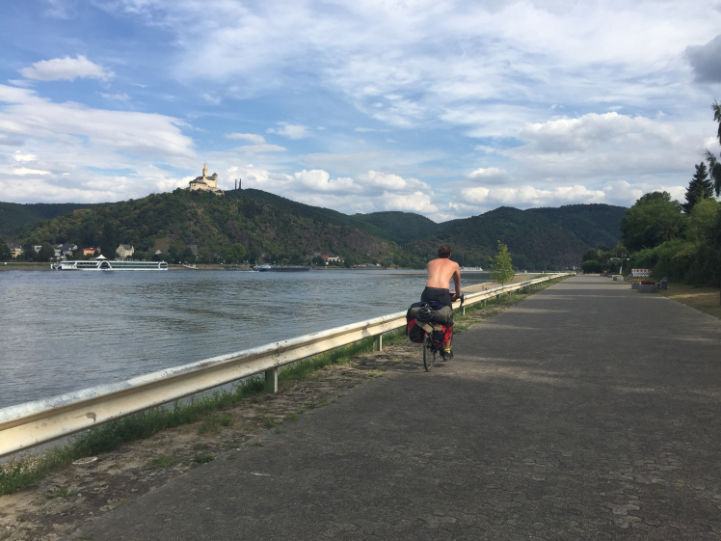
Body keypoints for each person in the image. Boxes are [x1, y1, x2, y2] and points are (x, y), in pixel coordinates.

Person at [421, 244, 461, 359]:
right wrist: (456, 296)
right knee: (448, 320)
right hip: (442, 293)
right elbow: (457, 284)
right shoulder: (454, 265)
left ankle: (429, 333)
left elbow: (434, 278)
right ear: (450, 254)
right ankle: (447, 350)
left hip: (427, 292)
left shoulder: (430, 263)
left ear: (438, 254)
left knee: (428, 314)